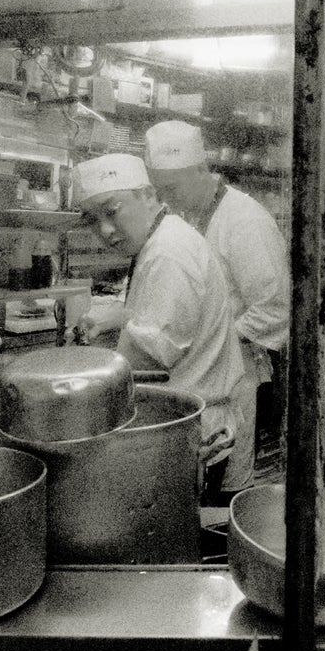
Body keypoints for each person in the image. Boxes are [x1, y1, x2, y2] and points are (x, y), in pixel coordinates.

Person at [72, 152, 257, 495]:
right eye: (91, 219)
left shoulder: (168, 253)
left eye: (112, 211)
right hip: (179, 433)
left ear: (148, 194)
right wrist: (121, 317)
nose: (105, 230)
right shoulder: (161, 239)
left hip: (184, 441)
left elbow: (145, 361)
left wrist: (72, 387)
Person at [144, 120, 290, 470]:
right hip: (195, 383)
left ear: (201, 170)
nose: (165, 198)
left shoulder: (243, 221)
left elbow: (275, 308)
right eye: (158, 190)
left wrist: (213, 341)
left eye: (171, 187)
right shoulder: (189, 216)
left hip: (235, 379)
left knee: (228, 480)